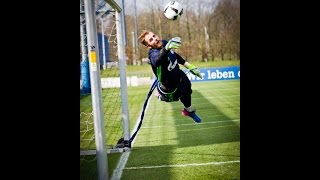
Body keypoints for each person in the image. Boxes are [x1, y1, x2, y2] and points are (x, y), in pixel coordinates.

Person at [138, 30, 203, 123]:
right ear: (149, 46)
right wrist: (166, 49)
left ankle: (188, 111)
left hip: (179, 75)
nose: (155, 39)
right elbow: (157, 61)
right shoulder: (153, 54)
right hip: (169, 87)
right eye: (151, 40)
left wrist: (188, 65)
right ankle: (161, 95)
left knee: (188, 90)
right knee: (175, 98)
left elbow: (174, 55)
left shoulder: (164, 42)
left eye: (154, 36)